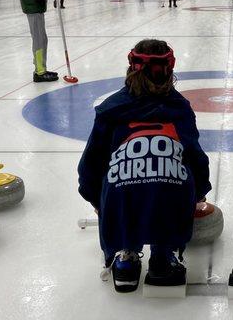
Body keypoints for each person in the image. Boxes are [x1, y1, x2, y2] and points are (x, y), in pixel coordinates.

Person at [78, 39, 212, 293]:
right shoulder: (180, 108)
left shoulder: (110, 108)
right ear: (170, 70)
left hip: (121, 199)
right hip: (170, 196)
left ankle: (125, 259)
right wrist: (200, 192)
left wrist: (96, 200)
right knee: (169, 183)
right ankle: (163, 256)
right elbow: (196, 157)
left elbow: (91, 163)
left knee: (121, 187)